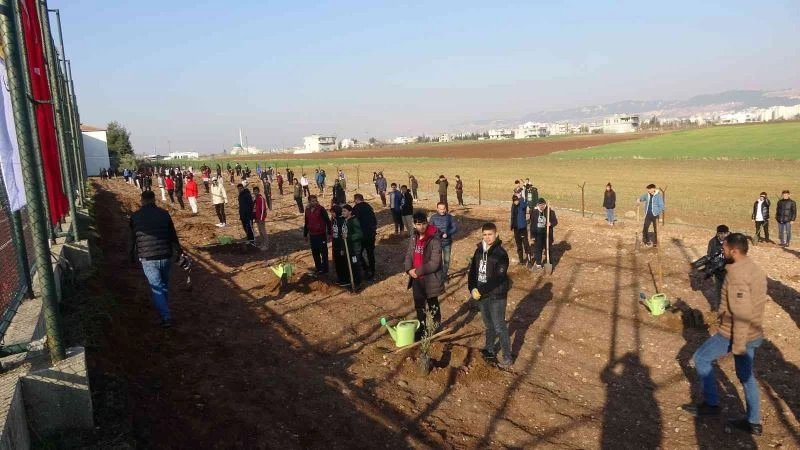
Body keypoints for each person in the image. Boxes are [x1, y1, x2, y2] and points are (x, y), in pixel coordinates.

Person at [683, 233, 767, 436]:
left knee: (701, 358)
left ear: (734, 251)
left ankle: (711, 404)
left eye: (725, 248)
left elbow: (741, 313)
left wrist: (738, 345)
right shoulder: (754, 268)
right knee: (746, 376)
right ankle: (754, 422)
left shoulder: (737, 276)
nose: (722, 250)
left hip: (735, 333)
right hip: (752, 332)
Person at [129, 190, 182, 328]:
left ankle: (166, 317)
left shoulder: (135, 216)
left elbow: (132, 239)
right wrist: (179, 251)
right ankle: (165, 310)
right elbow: (173, 235)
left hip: (148, 257)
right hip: (165, 255)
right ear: (154, 199)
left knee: (157, 287)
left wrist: (131, 255)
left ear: (142, 200)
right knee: (163, 284)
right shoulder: (164, 214)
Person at [468, 222, 512, 368]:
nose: (487, 237)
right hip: (481, 295)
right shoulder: (478, 251)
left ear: (496, 234)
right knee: (488, 325)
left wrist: (481, 290)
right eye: (485, 235)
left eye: (490, 234)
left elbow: (498, 278)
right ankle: (489, 349)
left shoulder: (501, 254)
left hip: (496, 295)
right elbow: (472, 271)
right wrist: (472, 288)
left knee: (499, 326)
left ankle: (507, 357)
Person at [404, 211, 444, 341]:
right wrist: (408, 269)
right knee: (419, 307)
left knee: (433, 306)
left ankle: (436, 328)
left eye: (423, 224)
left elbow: (434, 263)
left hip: (430, 280)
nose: (421, 227)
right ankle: (422, 329)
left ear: (427, 223)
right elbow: (409, 254)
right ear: (414, 225)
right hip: (416, 280)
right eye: (418, 224)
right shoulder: (413, 238)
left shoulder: (434, 240)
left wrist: (417, 271)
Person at [691, 225, 730, 311]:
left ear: (728, 233)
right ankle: (718, 308)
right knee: (719, 289)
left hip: (729, 269)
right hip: (718, 270)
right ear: (717, 233)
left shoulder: (731, 241)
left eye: (725, 233)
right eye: (721, 233)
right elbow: (709, 257)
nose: (723, 235)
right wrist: (709, 269)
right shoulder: (712, 242)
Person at [332, 205, 363, 289]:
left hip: (354, 249)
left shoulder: (354, 221)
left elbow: (359, 234)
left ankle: (357, 283)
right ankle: (351, 281)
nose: (343, 213)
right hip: (347, 248)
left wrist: (348, 237)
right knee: (350, 266)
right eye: (342, 211)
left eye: (345, 211)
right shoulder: (345, 221)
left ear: (350, 212)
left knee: (355, 266)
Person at [304, 195, 332, 275]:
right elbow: (306, 222)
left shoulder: (321, 209)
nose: (315, 202)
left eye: (316, 200)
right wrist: (305, 234)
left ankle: (325, 270)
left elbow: (328, 221)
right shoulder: (307, 210)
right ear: (309, 202)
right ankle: (319, 268)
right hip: (312, 235)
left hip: (321, 234)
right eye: (313, 201)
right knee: (315, 252)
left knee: (324, 253)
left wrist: (329, 233)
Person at [429, 202, 457, 279]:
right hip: (436, 243)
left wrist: (447, 233)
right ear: (437, 209)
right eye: (440, 209)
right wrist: (437, 235)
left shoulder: (450, 217)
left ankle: (444, 276)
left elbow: (454, 228)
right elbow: (430, 229)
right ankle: (438, 275)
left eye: (443, 209)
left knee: (446, 260)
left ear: (446, 208)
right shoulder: (433, 218)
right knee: (437, 260)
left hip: (447, 243)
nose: (442, 211)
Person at [353, 193, 377, 280]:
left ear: (356, 200)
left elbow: (355, 222)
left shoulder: (356, 208)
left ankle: (365, 268)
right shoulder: (369, 207)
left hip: (362, 235)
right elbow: (374, 220)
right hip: (371, 234)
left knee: (358, 253)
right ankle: (372, 271)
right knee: (370, 254)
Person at [530, 198, 557, 268]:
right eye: (540, 205)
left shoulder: (550, 212)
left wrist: (550, 223)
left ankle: (549, 263)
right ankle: (538, 263)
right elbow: (532, 225)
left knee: (548, 249)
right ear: (538, 205)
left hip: (547, 235)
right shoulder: (534, 213)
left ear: (545, 204)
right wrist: (532, 235)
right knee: (538, 249)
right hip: (538, 235)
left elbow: (555, 221)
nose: (541, 206)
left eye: (543, 204)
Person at [510, 194, 531, 265]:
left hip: (522, 229)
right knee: (519, 246)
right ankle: (521, 261)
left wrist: (521, 198)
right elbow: (512, 216)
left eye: (517, 200)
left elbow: (525, 204)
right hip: (516, 229)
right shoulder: (513, 206)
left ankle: (529, 261)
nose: (516, 202)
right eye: (514, 200)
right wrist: (512, 225)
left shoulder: (522, 205)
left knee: (526, 245)